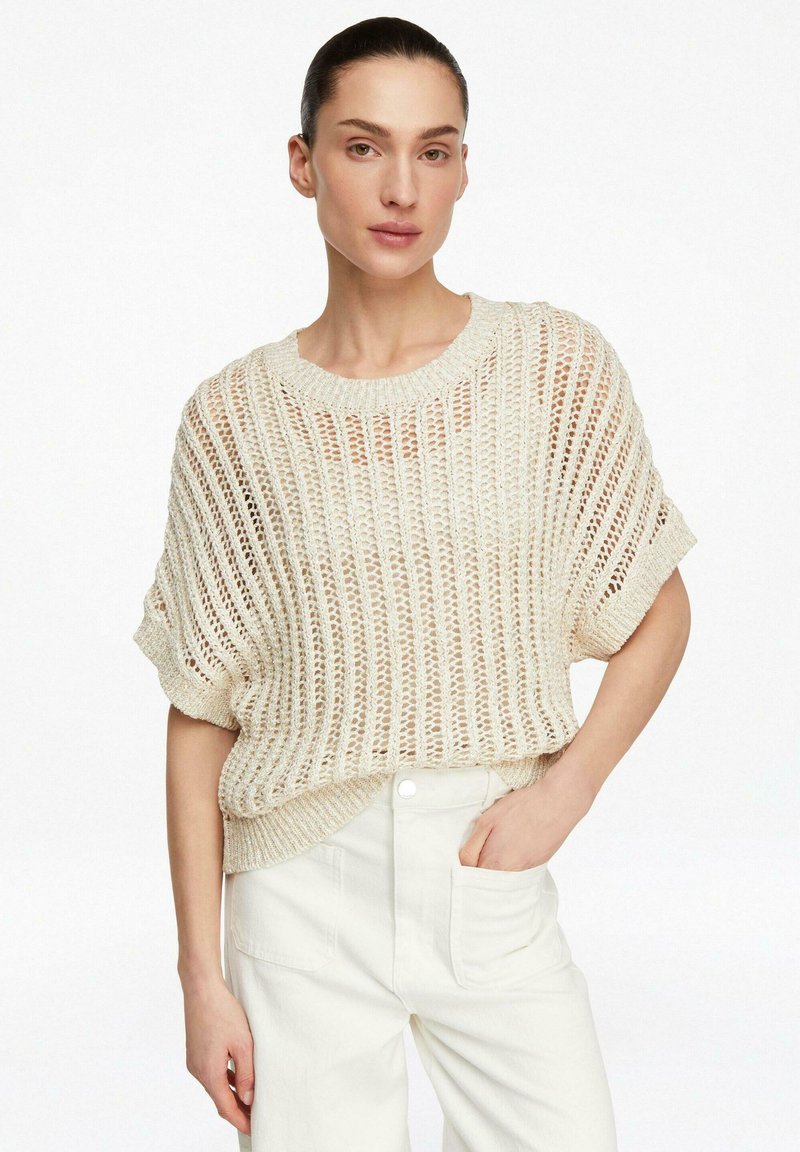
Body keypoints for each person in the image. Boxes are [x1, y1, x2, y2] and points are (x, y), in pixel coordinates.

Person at [133, 16, 697, 1152]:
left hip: (485, 867)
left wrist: (566, 791)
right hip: (299, 892)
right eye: (363, 147)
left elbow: (657, 607)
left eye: (433, 151)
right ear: (303, 164)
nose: (401, 188)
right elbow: (201, 713)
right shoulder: (234, 419)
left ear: (462, 170)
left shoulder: (549, 366)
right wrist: (200, 977)